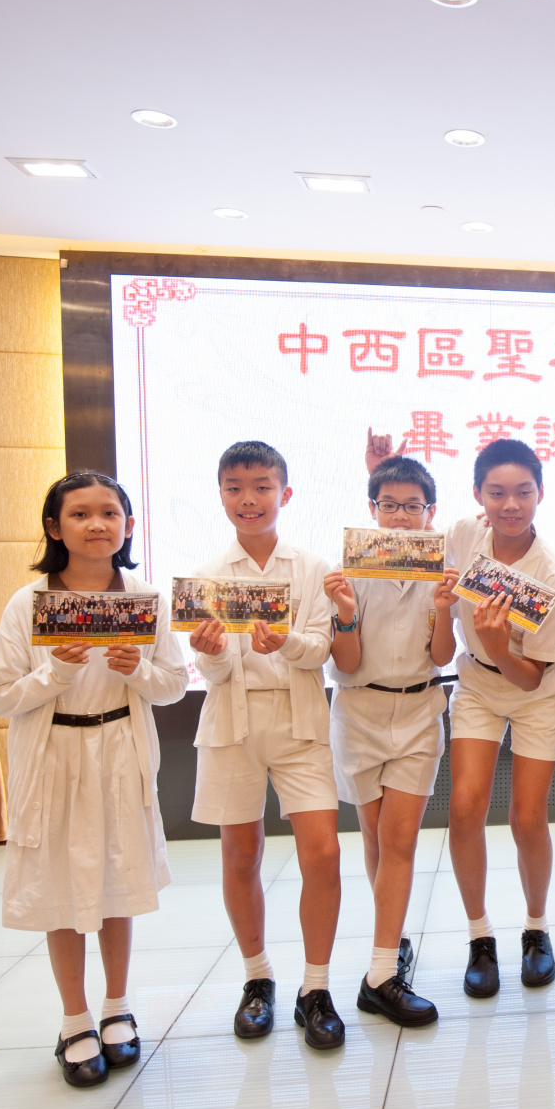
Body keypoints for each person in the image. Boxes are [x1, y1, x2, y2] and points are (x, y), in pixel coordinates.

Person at [0, 471, 187, 1087]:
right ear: (54, 527)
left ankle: (117, 1006)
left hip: (120, 749)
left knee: (120, 877)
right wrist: (55, 674)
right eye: (79, 514)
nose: (97, 524)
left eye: (109, 513)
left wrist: (137, 670)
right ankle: (75, 1019)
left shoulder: (144, 598)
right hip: (54, 756)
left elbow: (173, 686)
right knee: (60, 886)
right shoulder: (29, 603)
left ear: (128, 525)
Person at [187, 441, 344, 1049]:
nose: (248, 499)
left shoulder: (311, 566)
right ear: (221, 495)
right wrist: (210, 653)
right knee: (239, 856)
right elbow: (216, 672)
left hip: (299, 721)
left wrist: (286, 643)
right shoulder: (207, 577)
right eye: (235, 488)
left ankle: (316, 987)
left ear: (285, 493)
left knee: (322, 853)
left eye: (261, 487)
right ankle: (258, 978)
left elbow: (321, 649)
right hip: (232, 721)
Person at [322, 455, 460, 1028]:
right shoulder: (348, 569)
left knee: (399, 840)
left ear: (431, 511)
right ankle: (393, 938)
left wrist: (445, 610)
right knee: (376, 838)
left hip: (421, 710)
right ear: (372, 509)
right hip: (360, 712)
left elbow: (443, 655)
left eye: (412, 506)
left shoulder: (442, 571)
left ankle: (379, 975)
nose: (401, 517)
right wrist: (345, 615)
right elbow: (346, 664)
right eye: (390, 505)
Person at [441, 438, 555, 997]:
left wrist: (499, 645)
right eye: (497, 493)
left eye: (523, 492)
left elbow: (531, 678)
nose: (511, 504)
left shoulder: (553, 577)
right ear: (478, 495)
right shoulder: (463, 534)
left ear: (540, 493)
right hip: (476, 682)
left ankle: (536, 928)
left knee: (528, 817)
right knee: (464, 807)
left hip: (536, 689)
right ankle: (479, 935)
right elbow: (409, 547)